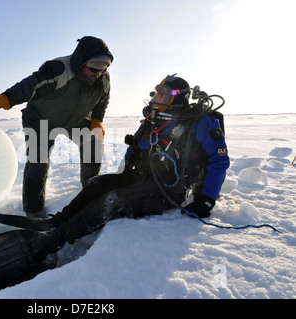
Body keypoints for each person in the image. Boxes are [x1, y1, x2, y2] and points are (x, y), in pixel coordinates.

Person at [26, 74, 230, 253]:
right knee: (97, 184)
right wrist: (121, 176)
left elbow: (219, 162)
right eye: (156, 92)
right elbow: (135, 147)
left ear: (178, 97)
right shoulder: (153, 118)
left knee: (113, 200)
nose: (156, 97)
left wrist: (206, 200)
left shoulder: (201, 123)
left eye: (163, 94)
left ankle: (58, 238)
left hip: (169, 190)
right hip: (142, 178)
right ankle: (59, 221)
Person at [0, 36, 114, 218]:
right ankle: (33, 211)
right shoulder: (59, 69)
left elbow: (102, 100)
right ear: (81, 62)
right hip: (40, 120)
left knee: (93, 141)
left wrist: (97, 120)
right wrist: (8, 98)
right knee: (39, 161)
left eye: (103, 68)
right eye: (93, 68)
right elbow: (33, 84)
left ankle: (89, 192)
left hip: (73, 119)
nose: (98, 73)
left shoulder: (103, 78)